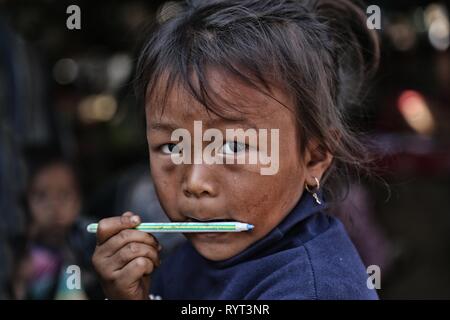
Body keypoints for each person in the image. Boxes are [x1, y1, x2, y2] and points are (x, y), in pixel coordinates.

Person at [92, 0, 380, 299]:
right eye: (172, 146)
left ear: (314, 157)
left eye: (232, 146)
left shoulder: (314, 289)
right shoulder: (183, 261)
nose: (194, 182)